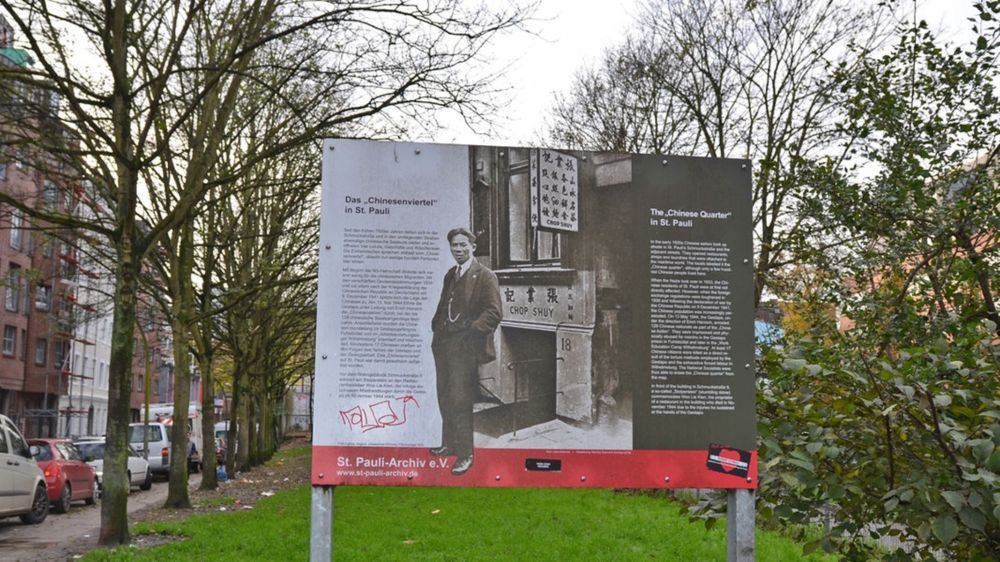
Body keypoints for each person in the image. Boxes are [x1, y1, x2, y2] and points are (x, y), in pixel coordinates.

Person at [430, 228, 502, 475]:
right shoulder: (451, 274)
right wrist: (436, 328)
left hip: (464, 347)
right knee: (444, 395)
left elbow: (493, 312)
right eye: (453, 246)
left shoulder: (485, 275)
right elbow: (443, 305)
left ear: (473, 246)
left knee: (461, 399)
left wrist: (471, 332)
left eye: (462, 245)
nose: (458, 250)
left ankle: (465, 454)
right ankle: (449, 444)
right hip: (443, 345)